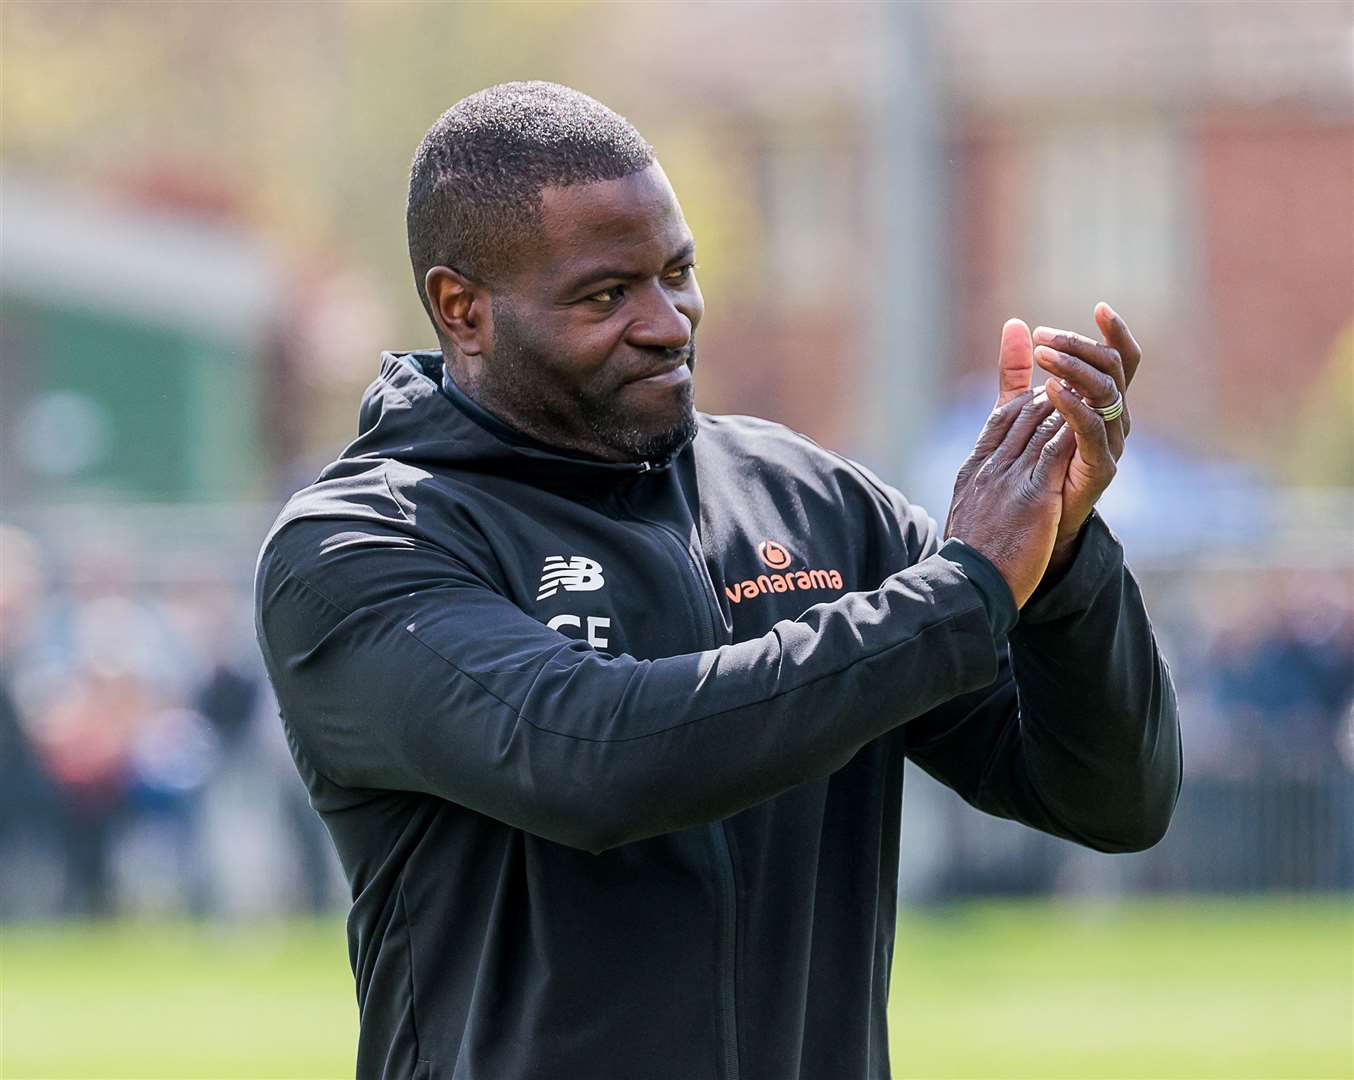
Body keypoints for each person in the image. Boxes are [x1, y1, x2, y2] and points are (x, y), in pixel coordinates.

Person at [254, 82, 1181, 1080]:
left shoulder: (812, 500)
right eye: (606, 295)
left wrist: (1063, 557)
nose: (668, 322)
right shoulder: (359, 544)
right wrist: (962, 590)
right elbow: (588, 757)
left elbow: (1106, 798)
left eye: (678, 272)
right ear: (462, 308)